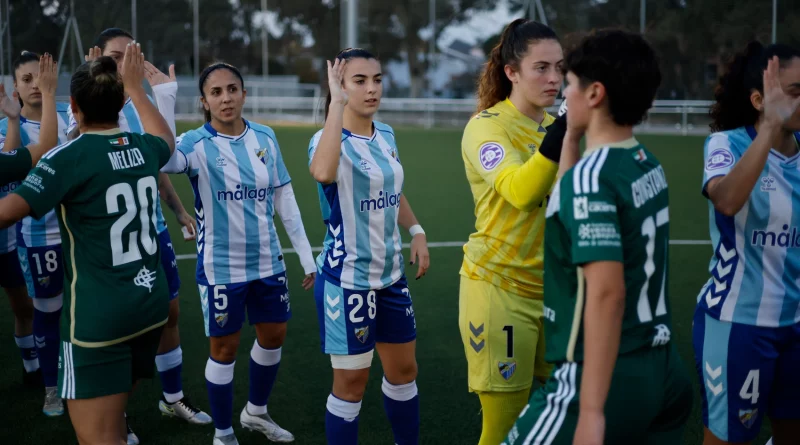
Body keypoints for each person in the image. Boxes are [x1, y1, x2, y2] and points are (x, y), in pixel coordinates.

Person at [503, 29, 693, 445]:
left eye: (570, 82)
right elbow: (568, 205)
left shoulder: (593, 178)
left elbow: (607, 293)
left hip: (605, 371)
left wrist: (591, 411)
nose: (563, 92)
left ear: (594, 94)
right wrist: (571, 137)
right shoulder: (645, 162)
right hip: (662, 364)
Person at [0, 42, 175, 445]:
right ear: (119, 103)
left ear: (74, 107)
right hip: (150, 306)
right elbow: (165, 138)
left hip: (100, 320)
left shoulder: (67, 158)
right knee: (114, 425)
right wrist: (136, 88)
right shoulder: (143, 146)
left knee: (97, 438)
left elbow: (7, 212)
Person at [161, 62, 317, 445]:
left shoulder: (265, 136)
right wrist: (165, 99)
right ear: (204, 102)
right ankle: (224, 432)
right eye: (216, 92)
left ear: (244, 94)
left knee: (274, 335)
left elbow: (284, 197)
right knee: (225, 348)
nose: (226, 98)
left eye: (232, 89)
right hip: (221, 267)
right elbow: (165, 160)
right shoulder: (194, 143)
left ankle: (256, 412)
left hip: (268, 261)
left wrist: (306, 256)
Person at [76, 28, 211, 441]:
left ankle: (172, 397)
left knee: (169, 313)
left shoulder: (140, 104)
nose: (125, 64)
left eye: (130, 55)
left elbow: (155, 162)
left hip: (152, 231)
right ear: (98, 57)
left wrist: (179, 210)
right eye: (116, 57)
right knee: (119, 330)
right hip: (110, 242)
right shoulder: (84, 107)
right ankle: (116, 416)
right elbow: (74, 157)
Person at [308, 48, 430, 445]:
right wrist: (336, 106)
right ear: (339, 87)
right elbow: (322, 172)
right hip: (348, 282)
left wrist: (416, 230)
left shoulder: (387, 134)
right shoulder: (326, 140)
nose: (372, 89)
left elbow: (391, 189)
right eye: (359, 81)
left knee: (404, 372)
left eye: (376, 79)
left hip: (391, 277)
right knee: (351, 385)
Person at [458, 18, 568, 444]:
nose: (554, 78)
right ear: (512, 72)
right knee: (503, 429)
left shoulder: (553, 126)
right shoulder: (487, 127)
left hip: (552, 292)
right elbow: (520, 191)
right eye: (541, 67)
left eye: (559, 68)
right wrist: (564, 129)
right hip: (499, 289)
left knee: (558, 418)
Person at [693, 41, 800, 445]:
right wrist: (770, 129)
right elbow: (726, 200)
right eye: (795, 92)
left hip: (795, 325)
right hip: (737, 326)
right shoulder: (727, 144)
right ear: (759, 101)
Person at [0, 50, 71, 417]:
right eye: (27, 80)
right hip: (40, 235)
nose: (35, 86)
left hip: (81, 232)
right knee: (45, 311)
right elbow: (9, 170)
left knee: (88, 310)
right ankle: (50, 388)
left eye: (41, 79)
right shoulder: (6, 126)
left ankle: (85, 378)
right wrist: (13, 120)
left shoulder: (71, 115)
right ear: (15, 86)